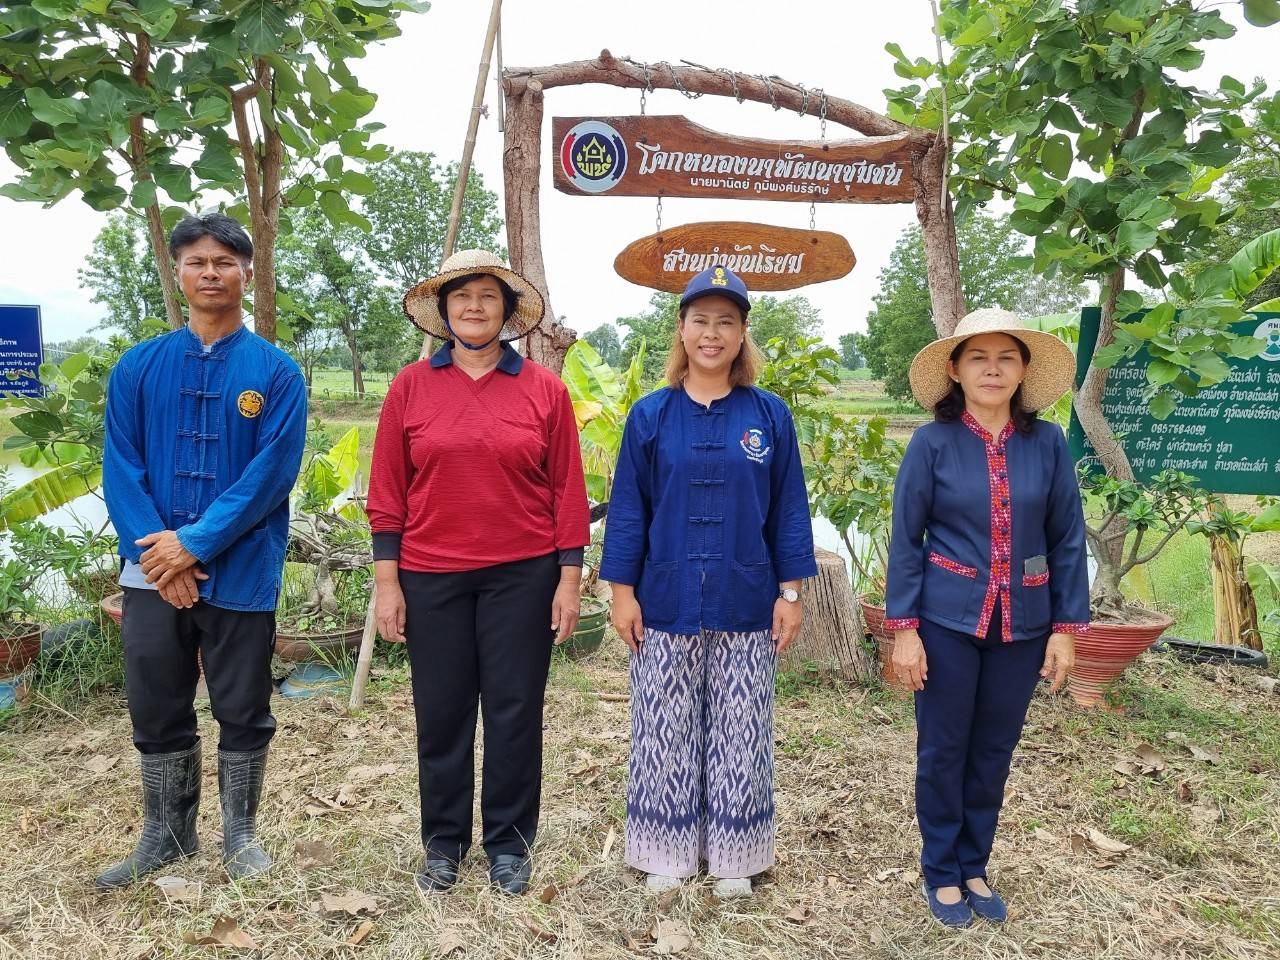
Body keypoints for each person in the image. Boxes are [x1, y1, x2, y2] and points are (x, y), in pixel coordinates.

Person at [366, 249, 591, 896]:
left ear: (506, 310)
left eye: (487, 296)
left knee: (516, 711)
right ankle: (442, 844)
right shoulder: (410, 386)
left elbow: (567, 494)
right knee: (441, 713)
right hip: (431, 575)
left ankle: (509, 847)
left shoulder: (543, 389)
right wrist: (388, 583)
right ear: (442, 311)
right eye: (460, 295)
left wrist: (569, 580)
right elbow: (387, 490)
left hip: (523, 575)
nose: (472, 306)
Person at [97, 212, 308, 887]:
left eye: (224, 262)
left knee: (242, 701)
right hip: (150, 571)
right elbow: (119, 466)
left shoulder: (275, 373)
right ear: (179, 273)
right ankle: (166, 833)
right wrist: (160, 559)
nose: (210, 273)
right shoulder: (140, 366)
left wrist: (192, 544)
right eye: (197, 262)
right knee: (155, 700)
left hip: (241, 567)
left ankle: (241, 834)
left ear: (246, 273)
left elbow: (271, 475)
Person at [601, 265, 817, 900]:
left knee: (741, 724)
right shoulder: (651, 415)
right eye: (701, 320)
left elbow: (789, 510)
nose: (713, 333)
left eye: (727, 321)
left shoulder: (769, 416)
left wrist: (791, 593)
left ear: (744, 332)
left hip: (747, 595)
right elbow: (631, 508)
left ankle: (735, 857)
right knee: (664, 722)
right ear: (682, 329)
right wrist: (621, 592)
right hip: (665, 595)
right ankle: (666, 851)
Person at [885, 308, 1090, 927]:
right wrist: (904, 630)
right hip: (947, 621)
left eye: (1006, 358)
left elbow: (1067, 538)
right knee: (944, 749)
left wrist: (1065, 627)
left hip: (1022, 624)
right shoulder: (933, 443)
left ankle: (975, 863)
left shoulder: (1046, 443)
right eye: (979, 357)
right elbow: (905, 538)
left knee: (994, 749)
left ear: (1024, 370)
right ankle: (941, 870)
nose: (993, 369)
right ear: (955, 369)